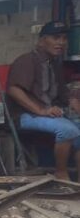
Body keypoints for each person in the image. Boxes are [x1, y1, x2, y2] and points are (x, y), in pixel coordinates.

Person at [6, 20, 80, 181]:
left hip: (48, 114)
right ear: (42, 41)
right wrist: (41, 110)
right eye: (56, 38)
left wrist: (74, 103)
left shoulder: (54, 64)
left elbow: (65, 95)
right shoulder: (27, 60)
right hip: (25, 115)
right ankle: (61, 174)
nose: (61, 42)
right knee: (68, 130)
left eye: (64, 38)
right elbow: (14, 90)